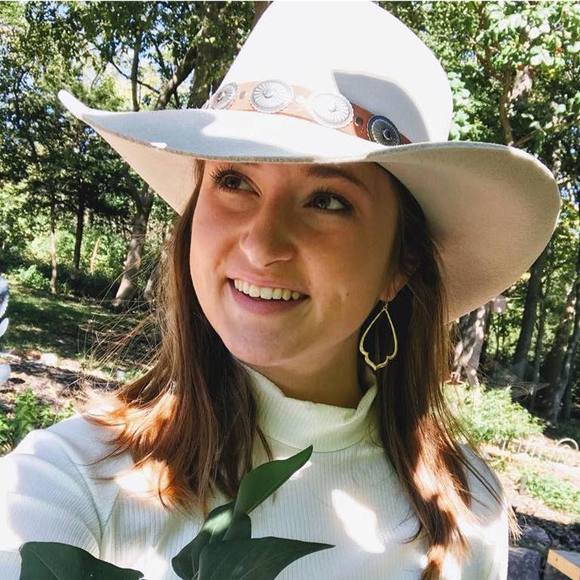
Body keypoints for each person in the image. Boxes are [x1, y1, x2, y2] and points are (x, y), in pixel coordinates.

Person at [0, 3, 560, 580]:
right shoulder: (69, 481)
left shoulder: (465, 509)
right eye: (234, 180)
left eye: (328, 201)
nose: (261, 245)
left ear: (401, 264)